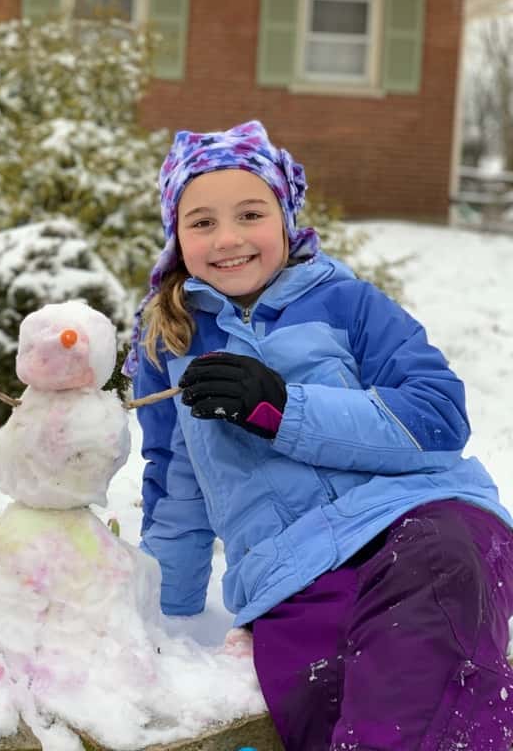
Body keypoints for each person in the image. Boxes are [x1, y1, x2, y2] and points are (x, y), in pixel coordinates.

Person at [124, 120, 513, 750]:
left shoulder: (349, 304)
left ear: (285, 218)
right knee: (325, 697)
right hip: (293, 572)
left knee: (426, 616)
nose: (228, 238)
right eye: (201, 222)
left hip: (422, 521)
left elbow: (439, 416)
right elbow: (176, 495)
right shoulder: (169, 344)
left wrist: (284, 408)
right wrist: (164, 629)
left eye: (250, 214)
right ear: (176, 237)